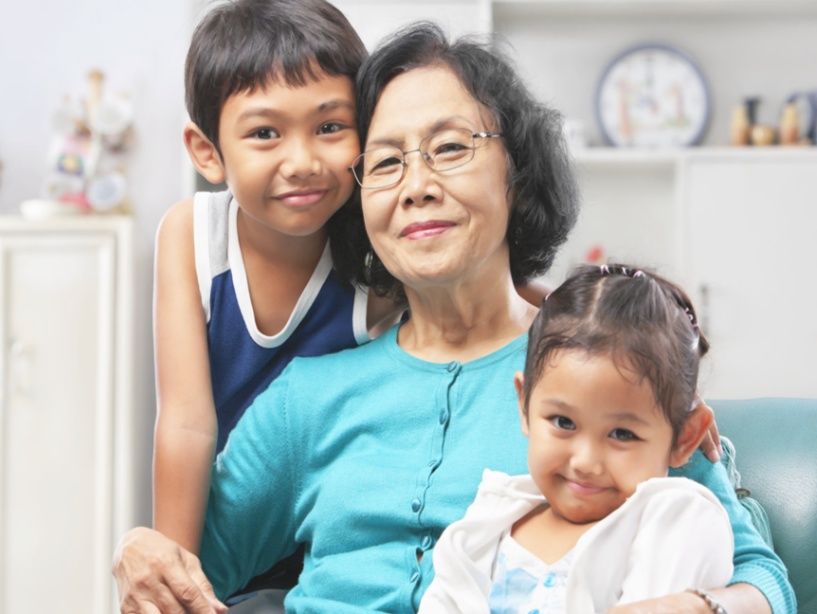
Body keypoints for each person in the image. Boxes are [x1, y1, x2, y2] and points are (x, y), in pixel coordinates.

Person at [113, 23, 795, 614]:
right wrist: (141, 550)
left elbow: (763, 581)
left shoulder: (606, 373)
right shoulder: (305, 400)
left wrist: (700, 603)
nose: (416, 186)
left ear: (515, 173)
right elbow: (185, 573)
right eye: (384, 163)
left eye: (449, 148)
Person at [150, 0, 399, 602]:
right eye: (265, 133)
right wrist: (175, 581)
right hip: (227, 540)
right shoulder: (192, 235)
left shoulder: (378, 255)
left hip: (333, 554)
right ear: (208, 151)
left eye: (330, 126)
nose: (304, 162)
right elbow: (185, 422)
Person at [419, 264, 735, 613]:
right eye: (563, 422)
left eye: (622, 434)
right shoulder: (485, 525)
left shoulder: (675, 522)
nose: (585, 461)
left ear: (684, 438)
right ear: (524, 405)